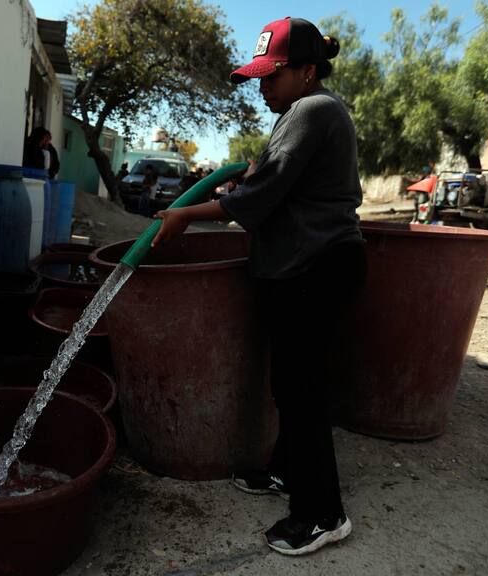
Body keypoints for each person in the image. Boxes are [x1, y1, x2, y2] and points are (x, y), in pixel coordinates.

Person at [151, 17, 366, 556]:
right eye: (260, 77)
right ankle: (286, 473)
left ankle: (322, 514)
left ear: (309, 71)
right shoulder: (299, 112)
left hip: (318, 267)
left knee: (302, 390)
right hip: (305, 266)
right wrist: (247, 180)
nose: (263, 87)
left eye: (272, 76)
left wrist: (183, 216)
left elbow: (259, 199)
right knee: (291, 383)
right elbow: (276, 183)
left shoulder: (315, 109)